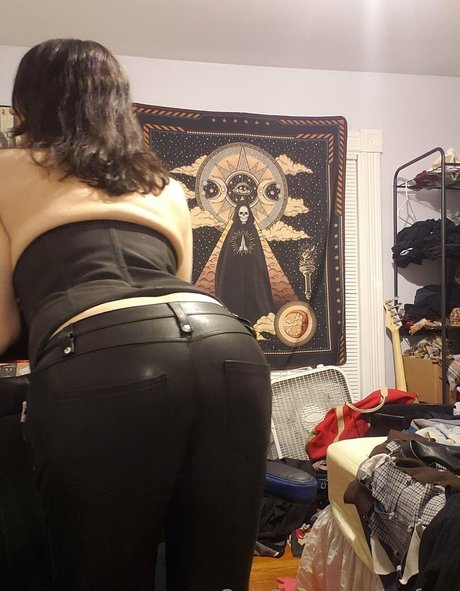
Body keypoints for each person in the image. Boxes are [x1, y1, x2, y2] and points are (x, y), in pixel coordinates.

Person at [0, 39, 272, 591]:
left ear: (26, 105)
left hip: (104, 358)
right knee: (215, 579)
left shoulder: (6, 171)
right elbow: (177, 296)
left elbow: (2, 326)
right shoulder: (163, 186)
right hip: (230, 348)